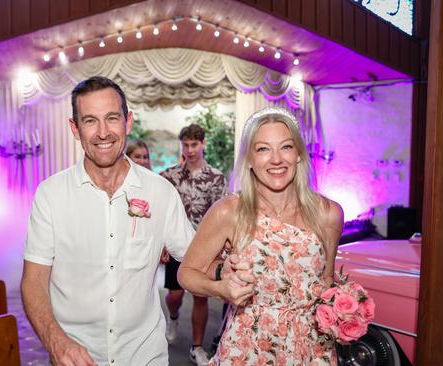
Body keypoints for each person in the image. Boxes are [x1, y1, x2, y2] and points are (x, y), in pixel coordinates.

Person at [21, 76, 196, 365]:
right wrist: (56, 340)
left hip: (145, 356)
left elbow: (194, 258)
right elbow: (33, 281)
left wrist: (230, 268)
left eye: (112, 118)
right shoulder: (50, 194)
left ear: (128, 121)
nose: (103, 132)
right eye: (90, 121)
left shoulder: (161, 191)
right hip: (75, 359)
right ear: (74, 128)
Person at [178, 107, 344, 365]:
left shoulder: (328, 213)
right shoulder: (229, 211)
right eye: (263, 149)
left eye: (286, 147)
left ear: (299, 154)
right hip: (249, 345)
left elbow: (326, 279)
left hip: (311, 348)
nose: (276, 159)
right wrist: (219, 287)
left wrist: (343, 311)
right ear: (249, 160)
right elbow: (187, 272)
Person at [160, 124, 229, 366]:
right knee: (175, 296)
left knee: (201, 297)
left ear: (203, 144)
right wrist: (162, 244)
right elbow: (161, 214)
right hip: (176, 246)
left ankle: (197, 347)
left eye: (194, 145)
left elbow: (223, 217)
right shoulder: (169, 176)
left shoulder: (217, 178)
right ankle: (174, 316)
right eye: (185, 145)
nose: (189, 150)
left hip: (205, 248)